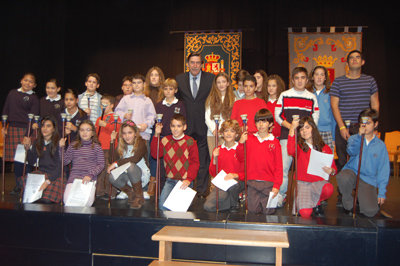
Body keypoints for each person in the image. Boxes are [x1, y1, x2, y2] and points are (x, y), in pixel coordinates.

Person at [275, 67, 319, 206]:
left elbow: (314, 118)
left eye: (303, 78)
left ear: (306, 80)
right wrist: (291, 127)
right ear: (292, 80)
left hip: (305, 139)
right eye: (297, 78)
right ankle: (281, 196)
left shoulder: (311, 97)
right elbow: (278, 115)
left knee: (305, 169)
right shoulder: (284, 95)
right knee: (283, 168)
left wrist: (303, 132)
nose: (300, 81)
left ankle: (305, 197)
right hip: (286, 137)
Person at [330, 50, 380, 171]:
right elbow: (334, 106)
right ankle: (344, 189)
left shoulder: (370, 81)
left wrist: (373, 127)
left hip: (363, 127)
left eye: (357, 57)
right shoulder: (338, 82)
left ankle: (359, 189)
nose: (354, 59)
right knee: (342, 160)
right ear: (347, 63)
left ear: (362, 62)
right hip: (343, 127)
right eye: (351, 58)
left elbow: (375, 104)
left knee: (362, 160)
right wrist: (342, 127)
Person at [336, 108, 389, 217]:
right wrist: (359, 137)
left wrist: (382, 192)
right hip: (352, 173)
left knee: (370, 211)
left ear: (375, 124)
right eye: (362, 123)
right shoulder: (354, 138)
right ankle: (347, 202)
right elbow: (351, 151)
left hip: (368, 179)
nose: (364, 126)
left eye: (368, 123)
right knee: (343, 177)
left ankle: (362, 196)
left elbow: (384, 169)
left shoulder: (380, 145)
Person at [176, 53, 214, 198]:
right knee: (185, 161)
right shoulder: (179, 79)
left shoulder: (210, 79)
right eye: (192, 62)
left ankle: (201, 191)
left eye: (198, 63)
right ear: (188, 63)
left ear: (202, 64)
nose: (195, 65)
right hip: (185, 128)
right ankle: (186, 190)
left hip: (204, 126)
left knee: (203, 161)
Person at [288, 116, 336, 218]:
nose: (304, 131)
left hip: (318, 182)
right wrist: (292, 128)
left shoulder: (324, 147)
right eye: (301, 129)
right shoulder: (299, 146)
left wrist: (331, 170)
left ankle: (317, 202)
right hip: (303, 183)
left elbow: (333, 169)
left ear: (313, 128)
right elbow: (290, 150)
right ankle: (313, 204)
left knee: (328, 189)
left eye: (307, 127)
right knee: (305, 214)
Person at [237, 108, 283, 214]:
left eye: (264, 121)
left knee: (269, 211)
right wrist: (240, 143)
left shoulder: (275, 142)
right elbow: (240, 158)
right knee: (252, 210)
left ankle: (278, 196)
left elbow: (279, 167)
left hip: (268, 183)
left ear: (270, 123)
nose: (261, 124)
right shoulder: (249, 139)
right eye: (258, 121)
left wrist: (276, 186)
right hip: (252, 182)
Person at [151, 113, 200, 210]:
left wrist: (189, 179)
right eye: (173, 126)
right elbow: (155, 154)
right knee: (163, 207)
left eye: (179, 126)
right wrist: (156, 134)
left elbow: (195, 162)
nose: (175, 129)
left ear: (184, 127)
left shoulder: (190, 141)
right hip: (170, 180)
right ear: (170, 127)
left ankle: (189, 201)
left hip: (184, 181)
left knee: (178, 209)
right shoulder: (165, 140)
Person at [2, 73, 40, 194]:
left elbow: (34, 116)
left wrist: (28, 135)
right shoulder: (12, 93)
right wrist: (4, 126)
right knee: (17, 161)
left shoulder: (34, 98)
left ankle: (26, 185)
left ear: (34, 85)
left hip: (27, 129)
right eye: (25, 80)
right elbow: (6, 110)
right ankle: (18, 185)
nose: (27, 83)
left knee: (25, 160)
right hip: (13, 128)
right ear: (21, 81)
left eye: (30, 82)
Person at [150, 78, 186, 195]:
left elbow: (184, 121)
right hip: (163, 139)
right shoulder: (159, 105)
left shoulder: (180, 104)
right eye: (165, 89)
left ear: (175, 90)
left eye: (171, 89)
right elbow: (155, 122)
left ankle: (176, 192)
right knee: (162, 167)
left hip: (176, 141)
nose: (168, 91)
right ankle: (161, 192)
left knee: (175, 166)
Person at [60, 120, 104, 207]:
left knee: (85, 204)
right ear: (79, 132)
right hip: (74, 179)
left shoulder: (97, 148)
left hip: (88, 180)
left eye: (88, 130)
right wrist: (61, 148)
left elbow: (101, 164)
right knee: (67, 202)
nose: (85, 132)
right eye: (82, 130)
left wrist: (90, 175)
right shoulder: (73, 145)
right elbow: (64, 162)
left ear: (92, 133)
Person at [203, 119, 244, 212]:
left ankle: (234, 204)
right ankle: (231, 202)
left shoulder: (241, 149)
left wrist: (235, 175)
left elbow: (246, 171)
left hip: (237, 182)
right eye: (226, 131)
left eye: (232, 131)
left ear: (237, 134)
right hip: (223, 183)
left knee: (233, 187)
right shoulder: (218, 149)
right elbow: (213, 173)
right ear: (222, 133)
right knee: (208, 206)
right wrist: (214, 158)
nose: (229, 133)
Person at [107, 120, 149, 209]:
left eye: (130, 133)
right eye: (124, 133)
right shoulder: (122, 145)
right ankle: (131, 194)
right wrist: (112, 142)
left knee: (131, 166)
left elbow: (135, 159)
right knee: (112, 176)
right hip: (127, 176)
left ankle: (139, 196)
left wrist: (116, 163)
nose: (127, 136)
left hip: (141, 175)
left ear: (135, 133)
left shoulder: (141, 143)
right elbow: (112, 160)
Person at [22, 116, 64, 203]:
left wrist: (48, 181)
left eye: (48, 126)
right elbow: (31, 161)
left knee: (46, 200)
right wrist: (28, 148)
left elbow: (60, 167)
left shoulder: (59, 143)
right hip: (41, 173)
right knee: (30, 198)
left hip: (56, 175)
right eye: (43, 126)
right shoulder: (38, 142)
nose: (45, 128)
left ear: (53, 129)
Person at [115, 73, 156, 143]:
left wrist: (146, 124)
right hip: (126, 136)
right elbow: (117, 112)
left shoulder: (147, 101)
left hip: (142, 136)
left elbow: (152, 116)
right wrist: (124, 115)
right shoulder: (126, 99)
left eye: (139, 83)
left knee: (141, 153)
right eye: (134, 83)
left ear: (144, 84)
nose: (136, 85)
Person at [95, 95, 121, 199]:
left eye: (105, 104)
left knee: (109, 169)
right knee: (100, 170)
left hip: (110, 147)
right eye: (101, 104)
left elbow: (117, 130)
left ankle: (110, 192)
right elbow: (96, 133)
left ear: (111, 105)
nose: (103, 106)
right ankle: (99, 190)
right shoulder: (99, 118)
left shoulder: (115, 118)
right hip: (99, 148)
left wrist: (105, 125)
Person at [205, 72, 236, 158]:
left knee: (226, 159)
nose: (221, 84)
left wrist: (226, 131)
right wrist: (213, 130)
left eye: (223, 81)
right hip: (212, 134)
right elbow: (207, 117)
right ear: (215, 84)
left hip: (228, 134)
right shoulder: (211, 98)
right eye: (218, 82)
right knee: (214, 159)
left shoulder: (233, 99)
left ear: (228, 83)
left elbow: (234, 117)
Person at [307, 66, 336, 152]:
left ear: (325, 77)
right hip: (311, 132)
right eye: (316, 74)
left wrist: (333, 137)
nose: (319, 77)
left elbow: (333, 116)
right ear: (312, 77)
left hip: (327, 132)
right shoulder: (307, 93)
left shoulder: (331, 93)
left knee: (327, 160)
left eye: (322, 75)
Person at [265, 74, 285, 139]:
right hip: (266, 136)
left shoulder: (282, 101)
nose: (271, 88)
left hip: (281, 136)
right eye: (269, 86)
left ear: (278, 87)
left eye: (274, 86)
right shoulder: (263, 102)